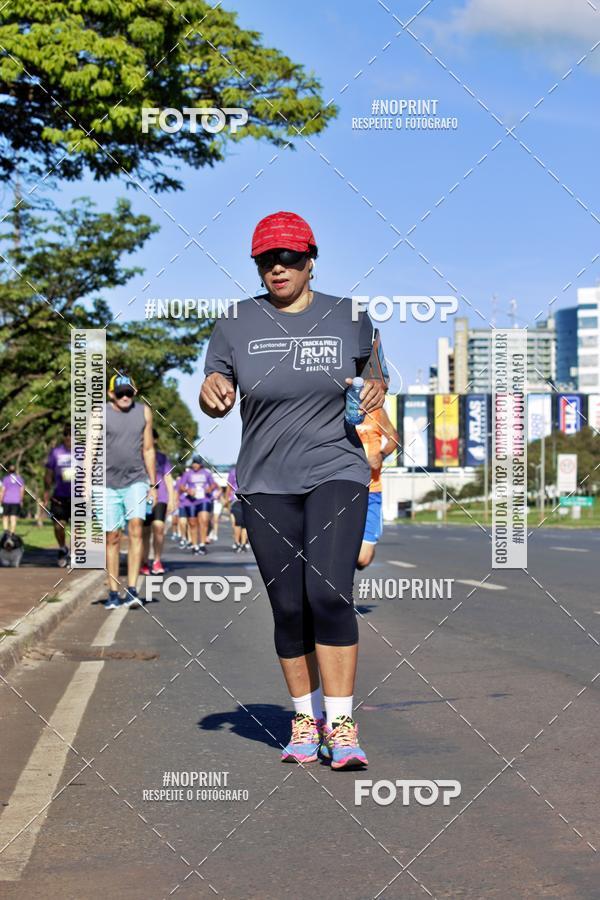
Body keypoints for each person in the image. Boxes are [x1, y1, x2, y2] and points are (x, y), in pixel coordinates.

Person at [200, 211, 386, 770]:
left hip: (337, 469)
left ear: (310, 259)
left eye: (288, 257)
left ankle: (343, 727)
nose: (277, 267)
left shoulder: (349, 317)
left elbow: (376, 375)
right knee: (288, 605)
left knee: (328, 593)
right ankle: (306, 721)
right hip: (264, 481)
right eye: (266, 259)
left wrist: (376, 388)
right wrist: (212, 391)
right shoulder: (236, 322)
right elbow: (214, 389)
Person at [104, 373, 156, 609]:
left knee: (136, 529)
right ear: (111, 394)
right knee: (112, 537)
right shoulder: (100, 414)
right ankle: (113, 591)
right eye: (120, 393)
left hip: (136, 479)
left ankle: (133, 589)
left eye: (128, 393)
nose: (125, 397)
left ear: (134, 393)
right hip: (107, 483)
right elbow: (91, 448)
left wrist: (152, 484)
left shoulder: (144, 412)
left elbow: (148, 449)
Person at [355, 406, 399, 570]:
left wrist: (381, 455)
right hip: (343, 489)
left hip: (371, 490)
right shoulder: (340, 407)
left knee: (363, 559)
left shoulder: (376, 411)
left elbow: (394, 438)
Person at [141, 430, 175, 575]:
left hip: (160, 497)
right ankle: (144, 562)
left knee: (159, 527)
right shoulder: (137, 457)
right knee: (144, 532)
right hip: (142, 499)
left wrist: (172, 499)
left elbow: (168, 478)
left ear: (154, 440)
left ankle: (157, 560)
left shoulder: (162, 458)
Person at [43, 425, 73, 567]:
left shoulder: (83, 451)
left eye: (71, 434)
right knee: (58, 526)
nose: (68, 437)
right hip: (59, 496)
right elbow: (48, 474)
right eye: (66, 434)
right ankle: (62, 548)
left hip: (79, 495)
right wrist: (46, 492)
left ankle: (74, 553)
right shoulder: (56, 452)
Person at [178, 455, 217, 555]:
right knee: (192, 523)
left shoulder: (206, 473)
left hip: (204, 499)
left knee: (204, 521)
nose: (195, 465)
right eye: (194, 463)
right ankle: (195, 545)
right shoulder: (187, 473)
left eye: (197, 463)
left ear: (201, 464)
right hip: (190, 501)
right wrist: (188, 490)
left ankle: (202, 544)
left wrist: (210, 489)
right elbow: (181, 486)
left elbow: (213, 484)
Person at [226, 465, 248, 552]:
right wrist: (227, 502)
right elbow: (229, 487)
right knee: (237, 522)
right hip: (236, 500)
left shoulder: (249, 470)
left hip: (247, 500)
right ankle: (237, 542)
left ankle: (243, 544)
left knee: (245, 524)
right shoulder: (233, 472)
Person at [1, 464, 25, 534]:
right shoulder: (20, 479)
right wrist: (21, 500)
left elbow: (3, 491)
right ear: (15, 471)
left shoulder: (6, 479)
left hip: (6, 500)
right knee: (13, 517)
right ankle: (12, 533)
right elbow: (22, 490)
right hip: (16, 501)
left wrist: (1, 500)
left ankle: (6, 532)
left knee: (5, 516)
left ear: (8, 470)